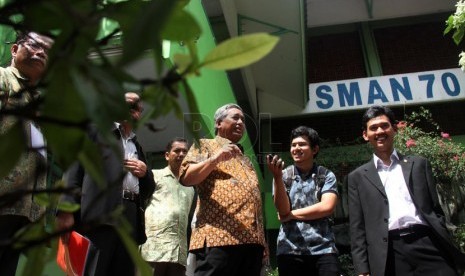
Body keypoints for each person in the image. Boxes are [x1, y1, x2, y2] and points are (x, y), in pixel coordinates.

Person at [347, 105, 465, 276]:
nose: (380, 131)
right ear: (365, 135)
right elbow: (357, 227)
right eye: (373, 128)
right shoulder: (357, 177)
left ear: (394, 129)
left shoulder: (419, 164)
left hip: (428, 243)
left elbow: (435, 209)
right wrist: (362, 268)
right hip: (390, 253)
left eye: (384, 126)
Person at [56, 92, 155, 276]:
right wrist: (65, 210)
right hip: (98, 217)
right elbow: (73, 171)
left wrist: (145, 173)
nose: (133, 110)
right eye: (128, 105)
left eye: (137, 108)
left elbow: (148, 190)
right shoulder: (93, 132)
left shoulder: (137, 146)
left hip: (130, 222)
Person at [179, 103, 266, 276]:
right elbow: (186, 177)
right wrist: (216, 158)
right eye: (235, 117)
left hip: (251, 244)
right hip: (218, 239)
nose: (241, 122)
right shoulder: (204, 145)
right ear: (218, 123)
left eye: (243, 119)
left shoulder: (246, 160)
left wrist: (263, 245)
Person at [0, 31, 53, 276]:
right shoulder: (3, 79)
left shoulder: (39, 102)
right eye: (34, 46)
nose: (41, 52)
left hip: (23, 211)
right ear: (14, 50)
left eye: (46, 50)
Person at [266, 126, 340, 276]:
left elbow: (327, 207)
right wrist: (277, 178)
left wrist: (291, 215)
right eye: (293, 145)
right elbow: (282, 210)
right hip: (289, 249)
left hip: (324, 249)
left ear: (314, 149)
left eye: (302, 144)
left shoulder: (326, 175)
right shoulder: (283, 176)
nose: (296, 148)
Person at [141, 137, 195, 276]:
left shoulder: (190, 187)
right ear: (167, 155)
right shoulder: (154, 175)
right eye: (177, 150)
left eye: (185, 151)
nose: (181, 154)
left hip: (178, 254)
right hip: (154, 250)